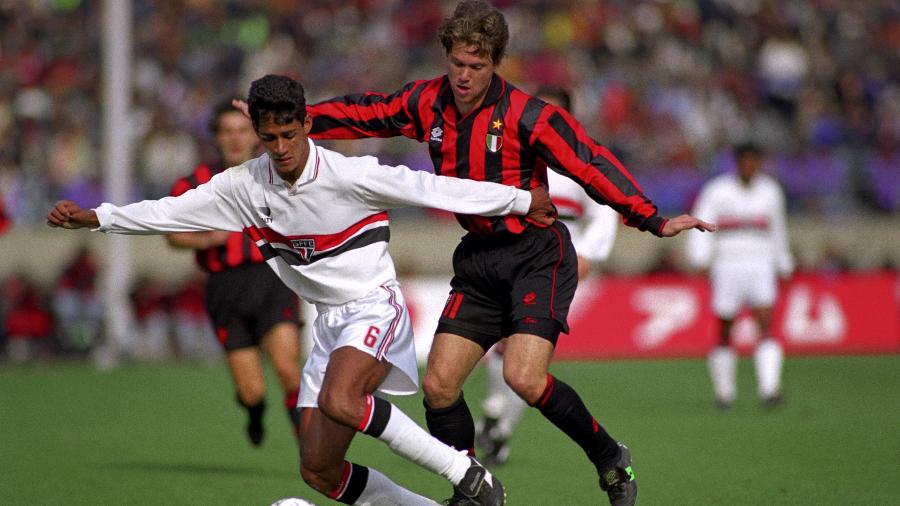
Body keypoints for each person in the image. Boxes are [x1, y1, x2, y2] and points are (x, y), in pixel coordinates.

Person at [48, 74, 558, 506]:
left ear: (307, 125)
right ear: (257, 135)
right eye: (269, 139)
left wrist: (516, 199)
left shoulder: (349, 175)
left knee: (342, 400)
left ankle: (467, 475)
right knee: (318, 471)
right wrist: (97, 218)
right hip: (326, 323)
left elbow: (432, 187)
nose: (281, 149)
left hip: (372, 306)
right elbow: (168, 211)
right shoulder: (243, 186)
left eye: (289, 135)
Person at [288, 2, 715, 504]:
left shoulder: (528, 115)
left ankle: (607, 455)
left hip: (537, 255)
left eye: (478, 66)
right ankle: (468, 488)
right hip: (479, 258)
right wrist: (300, 119)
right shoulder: (429, 102)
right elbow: (369, 111)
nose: (465, 76)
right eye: (458, 64)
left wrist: (651, 218)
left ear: (497, 63)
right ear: (445, 57)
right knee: (440, 386)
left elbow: (589, 161)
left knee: (523, 377)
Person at [474, 87, 620, 468]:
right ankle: (495, 417)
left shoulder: (581, 160)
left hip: (554, 262)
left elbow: (604, 214)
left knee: (527, 350)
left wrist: (586, 256)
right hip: (514, 254)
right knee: (506, 342)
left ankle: (499, 427)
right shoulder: (514, 155)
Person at [166, 100, 303, 446]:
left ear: (255, 135)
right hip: (226, 288)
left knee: (289, 370)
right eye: (227, 131)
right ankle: (255, 411)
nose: (235, 138)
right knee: (252, 390)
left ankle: (310, 445)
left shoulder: (276, 173)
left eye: (242, 130)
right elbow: (172, 234)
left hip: (272, 278)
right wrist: (209, 238)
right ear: (216, 138)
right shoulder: (195, 183)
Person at [686, 141, 794, 409]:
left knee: (765, 324)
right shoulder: (718, 190)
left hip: (760, 262)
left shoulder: (770, 191)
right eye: (744, 160)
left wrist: (784, 261)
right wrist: (700, 258)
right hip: (727, 263)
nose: (749, 166)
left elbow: (778, 229)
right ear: (737, 163)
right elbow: (702, 221)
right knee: (725, 327)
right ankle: (725, 393)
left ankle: (769, 389)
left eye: (754, 160)